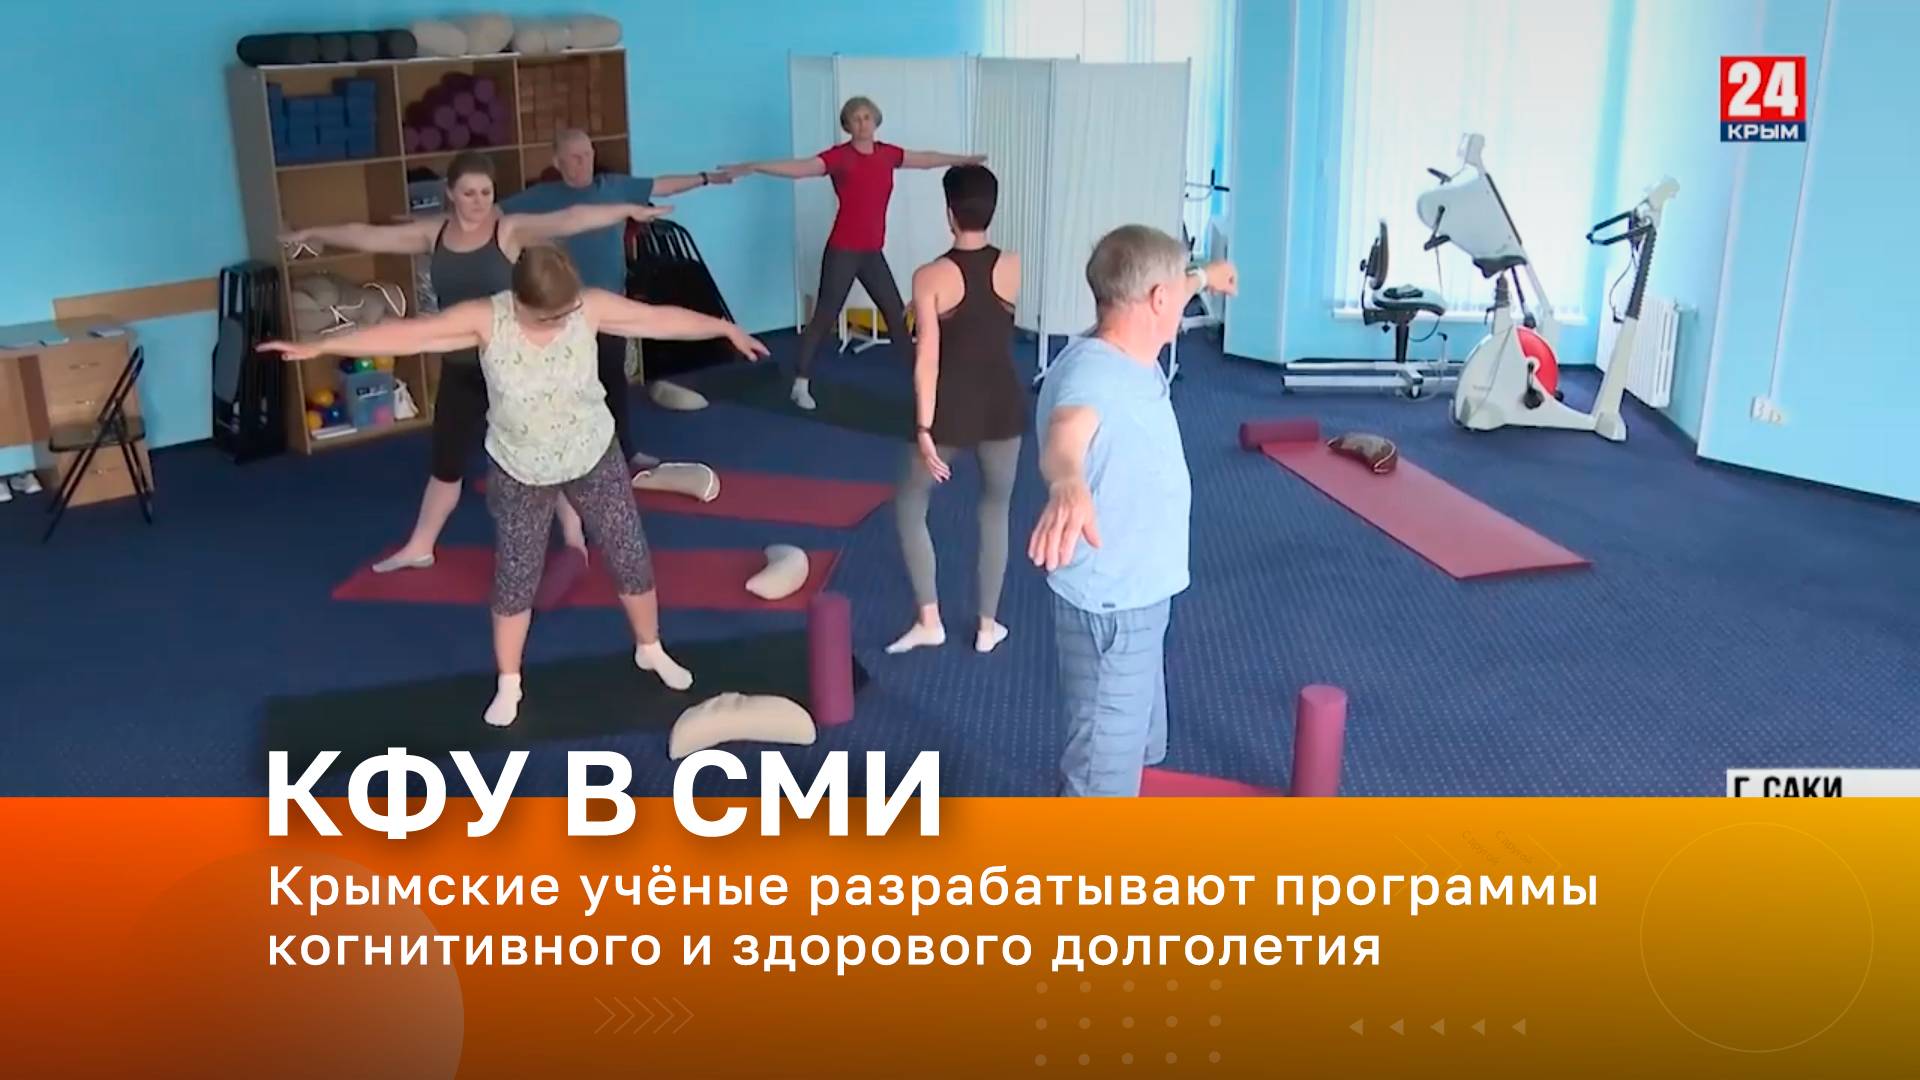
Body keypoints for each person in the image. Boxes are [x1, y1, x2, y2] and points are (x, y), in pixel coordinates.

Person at [261, 246, 771, 728]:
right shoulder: (487, 319)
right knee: (516, 577)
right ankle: (509, 683)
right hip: (520, 468)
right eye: (546, 317)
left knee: (629, 552)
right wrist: (320, 346)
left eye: (563, 314)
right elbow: (409, 335)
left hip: (592, 454)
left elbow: (659, 319)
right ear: (519, 301)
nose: (558, 323)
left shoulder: (587, 307)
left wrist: (724, 327)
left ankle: (650, 648)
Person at [279, 151, 669, 575]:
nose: (479, 201)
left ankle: (574, 538)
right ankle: (420, 546)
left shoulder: (508, 229)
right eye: (469, 193)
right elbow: (368, 236)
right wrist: (313, 231)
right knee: (446, 463)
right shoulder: (434, 233)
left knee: (543, 453)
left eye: (486, 192)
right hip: (462, 366)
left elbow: (570, 218)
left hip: (512, 366)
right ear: (451, 193)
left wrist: (627, 210)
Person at [1027, 225, 1236, 797]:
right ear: (1157, 300)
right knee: (1100, 781)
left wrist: (1205, 276)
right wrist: (1067, 481)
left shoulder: (1127, 341)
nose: (1185, 297)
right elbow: (1066, 433)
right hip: (1113, 610)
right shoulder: (1095, 374)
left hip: (1140, 590)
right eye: (1179, 289)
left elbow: (1175, 284)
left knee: (1136, 747)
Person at [724, 96, 983, 411]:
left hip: (872, 252)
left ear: (875, 120)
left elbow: (926, 159)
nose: (862, 123)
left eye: (867, 117)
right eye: (856, 119)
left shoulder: (888, 154)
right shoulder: (840, 157)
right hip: (843, 250)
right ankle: (800, 383)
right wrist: (754, 166)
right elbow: (801, 168)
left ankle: (923, 386)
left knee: (896, 316)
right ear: (847, 125)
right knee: (825, 316)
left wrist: (963, 160)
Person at [502, 129, 733, 473]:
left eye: (587, 154)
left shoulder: (613, 187)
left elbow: (662, 185)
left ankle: (624, 450)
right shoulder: (541, 197)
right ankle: (565, 457)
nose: (583, 162)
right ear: (557, 162)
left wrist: (705, 178)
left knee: (612, 379)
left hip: (610, 306)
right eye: (574, 157)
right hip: (561, 311)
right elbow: (491, 216)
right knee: (566, 386)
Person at [887, 165, 1024, 657]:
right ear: (992, 210)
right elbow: (985, 324)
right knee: (995, 509)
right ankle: (988, 627)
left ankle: (930, 621)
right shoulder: (1013, 265)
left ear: (949, 213)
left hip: (950, 409)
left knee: (910, 503)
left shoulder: (929, 277)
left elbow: (928, 359)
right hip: (1003, 404)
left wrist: (924, 427)